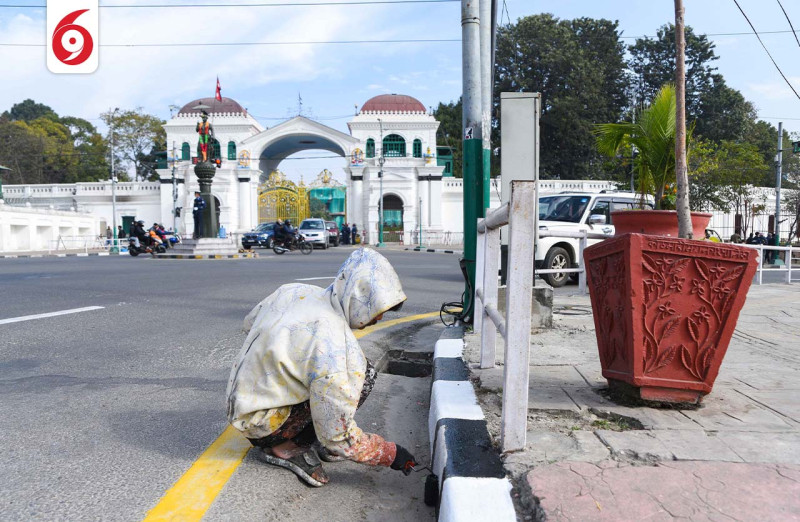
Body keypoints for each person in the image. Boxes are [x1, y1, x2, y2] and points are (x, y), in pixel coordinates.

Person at [226, 248, 416, 487]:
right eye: (377, 311)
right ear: (359, 297)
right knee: (362, 377)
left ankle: (291, 433)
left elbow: (249, 323)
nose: (378, 319)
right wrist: (390, 453)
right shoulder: (336, 348)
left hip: (242, 402)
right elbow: (337, 435)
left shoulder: (294, 291)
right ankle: (284, 447)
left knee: (348, 373)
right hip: (263, 425)